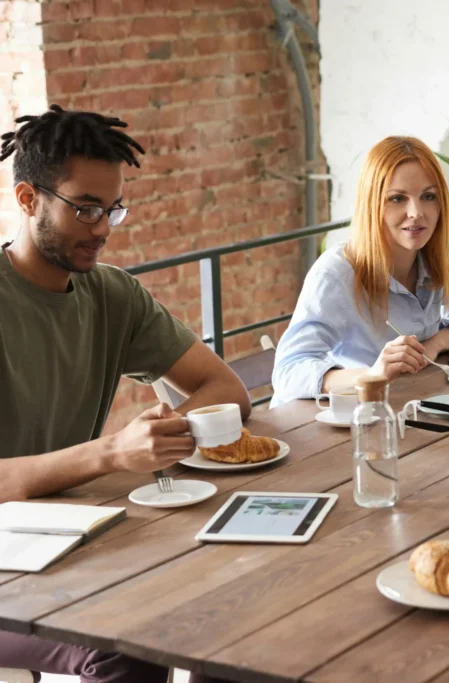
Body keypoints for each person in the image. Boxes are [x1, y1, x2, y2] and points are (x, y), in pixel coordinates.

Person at [0, 105, 249, 681]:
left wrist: (164, 431)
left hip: (70, 538)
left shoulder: (112, 295)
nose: (104, 228)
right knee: (129, 642)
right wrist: (113, 454)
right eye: (86, 208)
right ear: (28, 199)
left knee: (234, 598)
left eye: (113, 209)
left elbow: (226, 389)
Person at [271, 136, 449, 405]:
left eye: (428, 196)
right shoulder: (336, 274)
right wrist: (373, 374)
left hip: (412, 406)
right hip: (349, 419)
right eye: (397, 199)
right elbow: (287, 371)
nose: (416, 212)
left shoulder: (444, 255)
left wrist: (434, 344)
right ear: (373, 204)